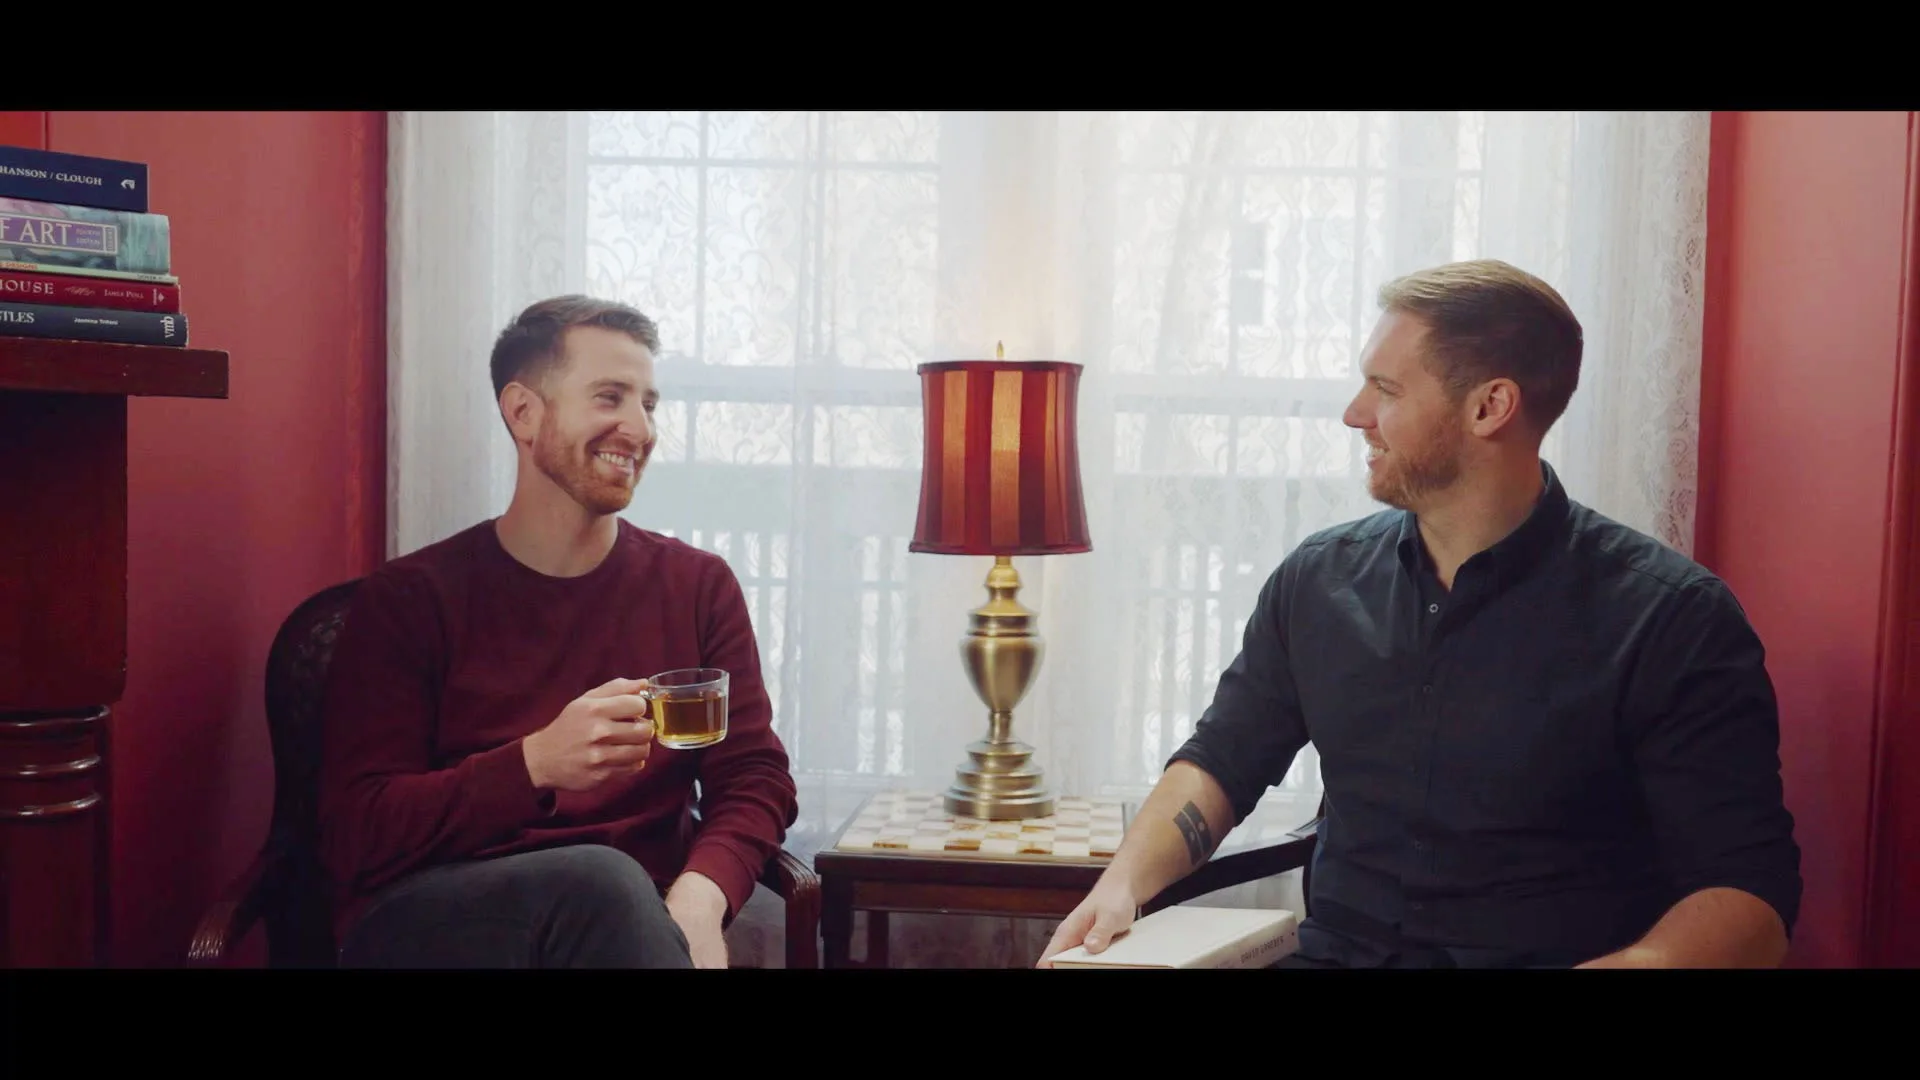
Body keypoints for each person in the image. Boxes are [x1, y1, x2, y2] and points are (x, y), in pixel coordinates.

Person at [1039, 259, 1802, 970]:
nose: (1354, 413)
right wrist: (1122, 884)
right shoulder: (1317, 581)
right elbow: (1220, 762)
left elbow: (1749, 900)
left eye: (1387, 389)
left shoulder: (1673, 621)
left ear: (1489, 406)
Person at [317, 295, 799, 969]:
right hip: (437, 920)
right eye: (610, 397)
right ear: (523, 413)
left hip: (633, 926)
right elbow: (356, 831)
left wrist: (700, 894)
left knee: (613, 888)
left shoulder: (697, 587)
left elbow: (753, 776)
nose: (639, 428)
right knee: (601, 880)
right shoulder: (409, 600)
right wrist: (534, 764)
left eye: (649, 404)